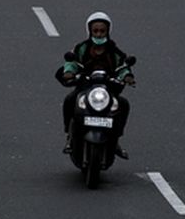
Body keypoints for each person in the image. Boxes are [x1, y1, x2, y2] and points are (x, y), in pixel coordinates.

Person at [55, 11, 136, 158]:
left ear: (108, 31)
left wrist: (127, 76)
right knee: (70, 100)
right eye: (96, 31)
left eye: (102, 31)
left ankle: (116, 139)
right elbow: (72, 63)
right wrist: (69, 72)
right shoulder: (81, 48)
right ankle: (69, 136)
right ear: (90, 31)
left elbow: (122, 67)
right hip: (85, 87)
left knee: (123, 104)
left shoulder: (115, 51)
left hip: (108, 89)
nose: (99, 34)